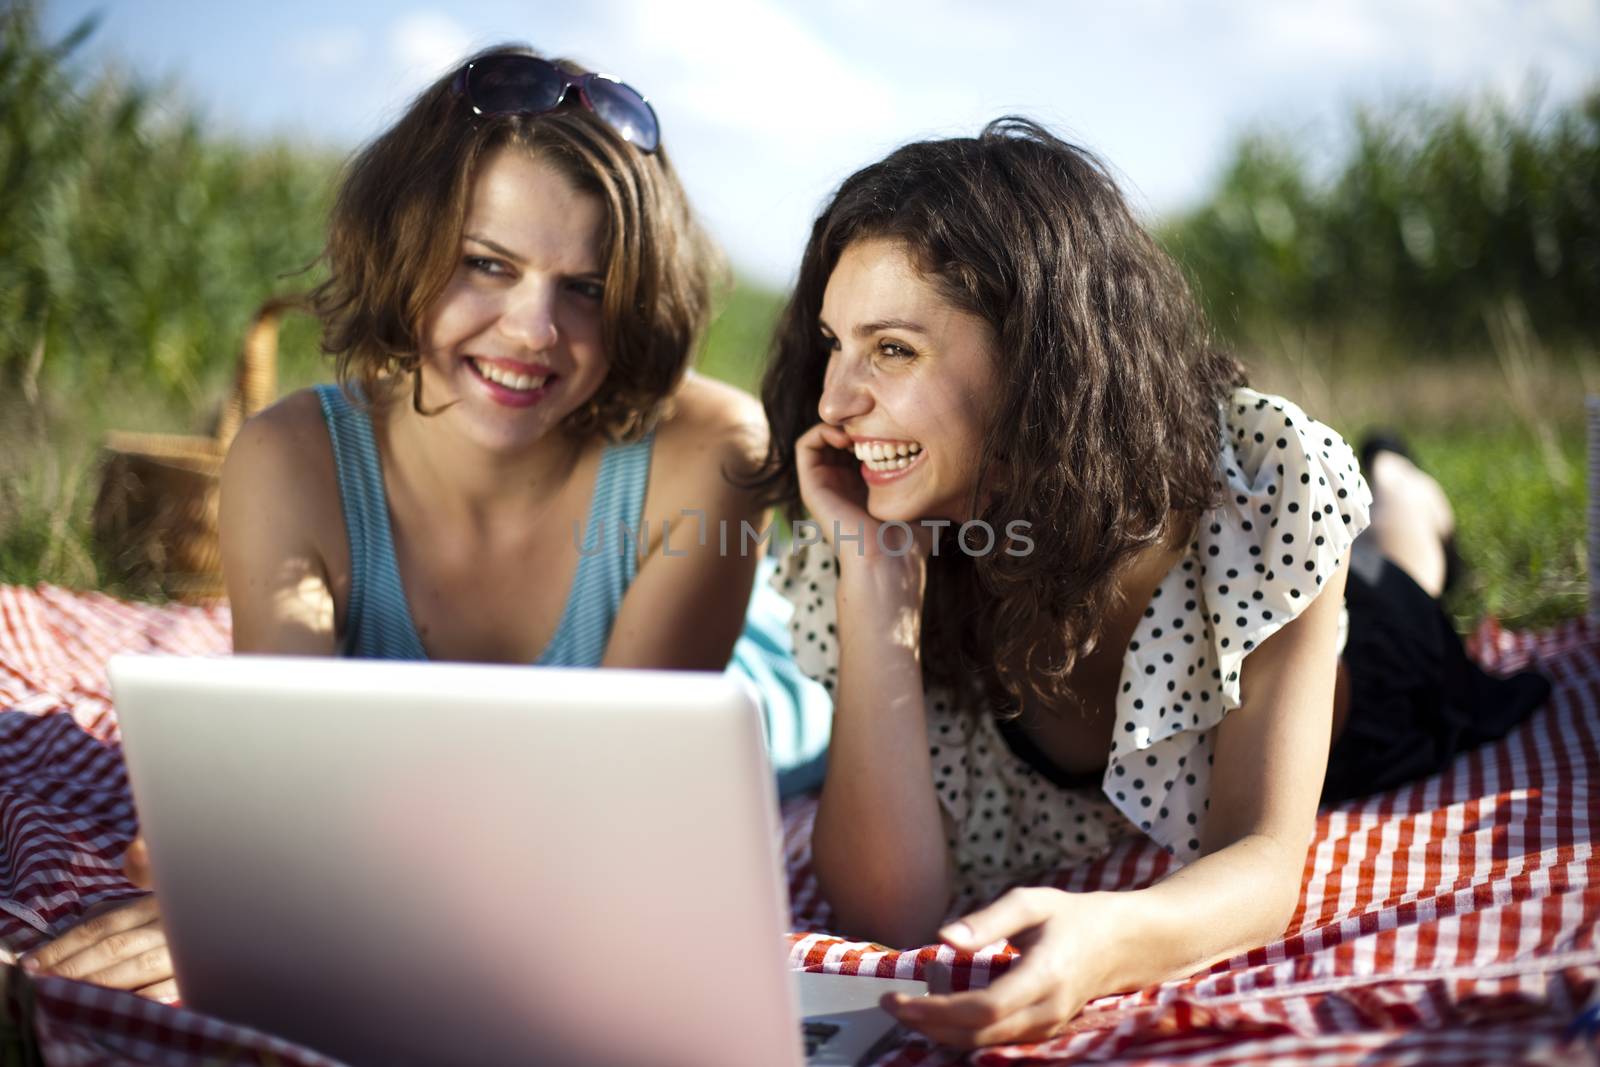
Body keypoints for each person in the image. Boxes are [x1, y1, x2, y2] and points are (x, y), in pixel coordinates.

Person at [21, 45, 829, 1002]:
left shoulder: (709, 450)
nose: (533, 329)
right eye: (487, 264)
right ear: (405, 251)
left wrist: (305, 884)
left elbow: (600, 811)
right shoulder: (294, 461)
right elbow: (297, 782)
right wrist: (256, 867)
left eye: (586, 286)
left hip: (766, 683)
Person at [753, 117, 1550, 1048]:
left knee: (1403, 561)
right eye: (835, 345)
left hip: (1361, 677)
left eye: (891, 350)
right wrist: (878, 583)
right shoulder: (895, 529)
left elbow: (1260, 852)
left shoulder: (1264, 495)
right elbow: (886, 908)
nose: (834, 403)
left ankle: (1407, 486)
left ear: (1038, 356)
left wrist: (1113, 937)